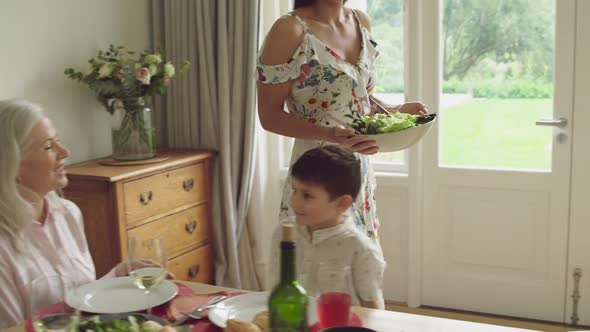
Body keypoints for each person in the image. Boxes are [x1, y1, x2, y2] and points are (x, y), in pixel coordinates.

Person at [257, 0, 428, 239]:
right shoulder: (290, 30)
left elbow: (356, 99)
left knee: (360, 263)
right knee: (314, 266)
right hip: (316, 177)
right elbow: (269, 115)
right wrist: (329, 135)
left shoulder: (361, 22)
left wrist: (396, 110)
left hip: (358, 171)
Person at [0, 99, 168, 327]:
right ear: (12, 164)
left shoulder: (68, 214)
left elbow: (78, 298)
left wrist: (119, 274)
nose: (65, 152)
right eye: (49, 146)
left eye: (57, 141)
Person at [270, 145, 386, 309]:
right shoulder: (284, 233)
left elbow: (372, 308)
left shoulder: (360, 249)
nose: (294, 202)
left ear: (342, 203)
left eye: (307, 195)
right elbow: (277, 288)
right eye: (294, 190)